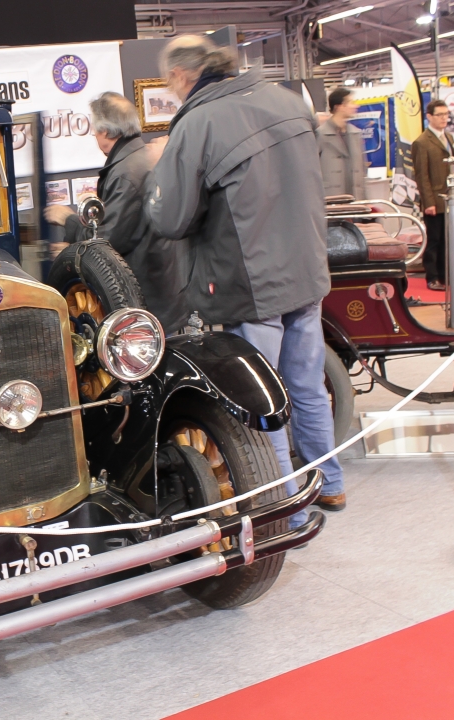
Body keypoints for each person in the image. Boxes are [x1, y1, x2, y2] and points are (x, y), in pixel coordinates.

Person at [145, 35, 346, 524]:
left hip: (252, 282)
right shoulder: (287, 101)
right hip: (306, 270)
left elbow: (169, 218)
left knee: (260, 398)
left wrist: (158, 171)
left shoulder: (199, 122)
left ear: (180, 75)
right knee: (307, 385)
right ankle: (331, 485)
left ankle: (286, 509)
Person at [44, 91, 186, 331]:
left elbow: (108, 239)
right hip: (162, 289)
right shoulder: (139, 159)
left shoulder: (125, 172)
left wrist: (68, 220)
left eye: (95, 129)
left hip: (146, 294)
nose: (94, 134)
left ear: (106, 131)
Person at [410, 100, 454, 291]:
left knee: (447, 239)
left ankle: (446, 275)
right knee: (434, 240)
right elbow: (422, 176)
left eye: (446, 114)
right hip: (434, 201)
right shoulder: (422, 142)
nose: (444, 118)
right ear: (429, 116)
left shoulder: (449, 137)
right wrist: (428, 202)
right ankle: (432, 277)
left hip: (451, 199)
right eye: (440, 115)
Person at [317, 88, 367, 200]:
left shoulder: (355, 134)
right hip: (331, 201)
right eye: (351, 102)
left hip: (356, 201)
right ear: (339, 107)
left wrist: (365, 200)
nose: (356, 106)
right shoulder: (320, 135)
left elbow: (362, 172)